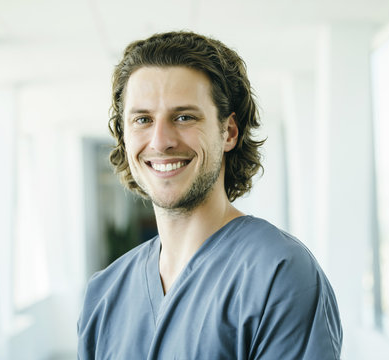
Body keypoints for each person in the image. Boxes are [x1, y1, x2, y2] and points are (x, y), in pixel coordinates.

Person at [77, 31, 342, 359]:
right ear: (124, 136)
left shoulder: (279, 275)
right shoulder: (104, 294)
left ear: (229, 132)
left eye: (184, 117)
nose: (160, 141)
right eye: (143, 119)